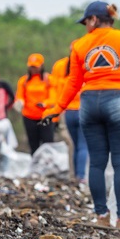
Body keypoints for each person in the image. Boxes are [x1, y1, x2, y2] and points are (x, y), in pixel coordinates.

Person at [40, 0, 120, 233]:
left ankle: (101, 216)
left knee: (97, 163)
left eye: (86, 21)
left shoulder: (80, 45)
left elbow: (73, 83)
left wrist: (56, 109)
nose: (85, 27)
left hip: (89, 103)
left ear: (94, 19)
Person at [51, 46, 88, 182]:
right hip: (83, 111)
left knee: (74, 145)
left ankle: (73, 175)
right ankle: (81, 175)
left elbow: (58, 93)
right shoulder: (86, 67)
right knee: (83, 146)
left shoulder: (65, 70)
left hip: (69, 113)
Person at [15, 53, 55, 155]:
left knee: (48, 144)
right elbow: (19, 96)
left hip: (45, 117)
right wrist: (19, 102)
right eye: (31, 66)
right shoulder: (23, 81)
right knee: (33, 145)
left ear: (41, 66)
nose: (33, 69)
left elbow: (54, 98)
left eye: (35, 66)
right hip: (29, 117)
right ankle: (35, 167)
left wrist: (45, 103)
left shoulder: (48, 80)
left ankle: (48, 167)